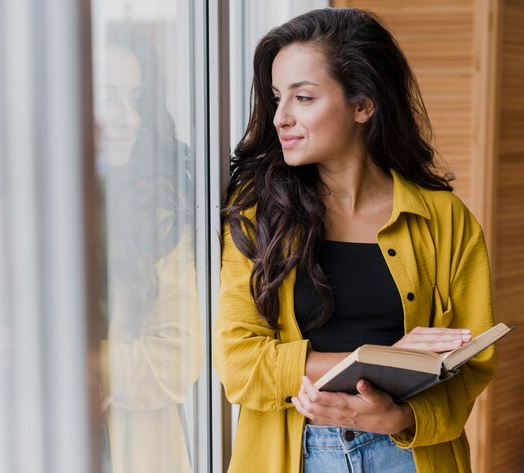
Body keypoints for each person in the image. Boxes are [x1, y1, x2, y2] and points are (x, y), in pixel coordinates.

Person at [213, 8, 496, 473]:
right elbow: (239, 364)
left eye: (303, 98)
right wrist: (381, 360)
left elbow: (475, 361)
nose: (280, 117)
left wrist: (400, 415)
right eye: (276, 97)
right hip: (298, 454)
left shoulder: (446, 219)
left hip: (408, 454)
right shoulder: (258, 214)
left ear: (363, 105)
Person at [95, 23, 202, 473]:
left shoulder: (160, 209)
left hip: (135, 454)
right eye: (108, 97)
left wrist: (76, 363)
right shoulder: (39, 212)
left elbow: (176, 360)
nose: (129, 118)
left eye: (136, 99)